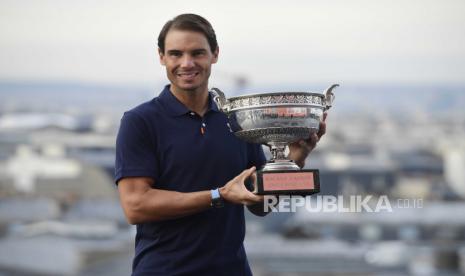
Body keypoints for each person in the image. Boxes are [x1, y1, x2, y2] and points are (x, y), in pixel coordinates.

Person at [115, 13, 327, 276]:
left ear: (215, 54)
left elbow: (260, 204)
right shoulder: (140, 121)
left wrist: (294, 159)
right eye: (175, 54)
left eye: (197, 53)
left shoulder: (237, 120)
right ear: (161, 57)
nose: (187, 63)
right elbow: (136, 206)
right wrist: (218, 196)